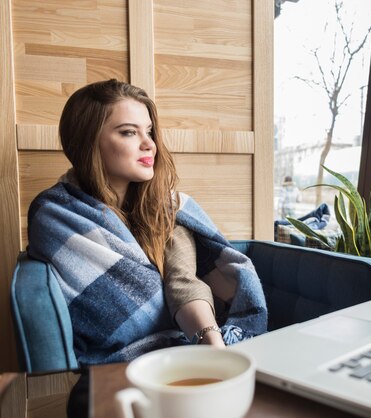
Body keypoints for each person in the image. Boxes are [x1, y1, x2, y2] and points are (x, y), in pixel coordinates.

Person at [27, 79, 268, 365]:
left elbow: (182, 282)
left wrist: (213, 347)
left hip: (189, 348)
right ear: (87, 140)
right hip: (118, 365)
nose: (149, 144)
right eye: (129, 132)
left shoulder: (169, 208)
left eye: (149, 131)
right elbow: (120, 309)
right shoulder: (57, 213)